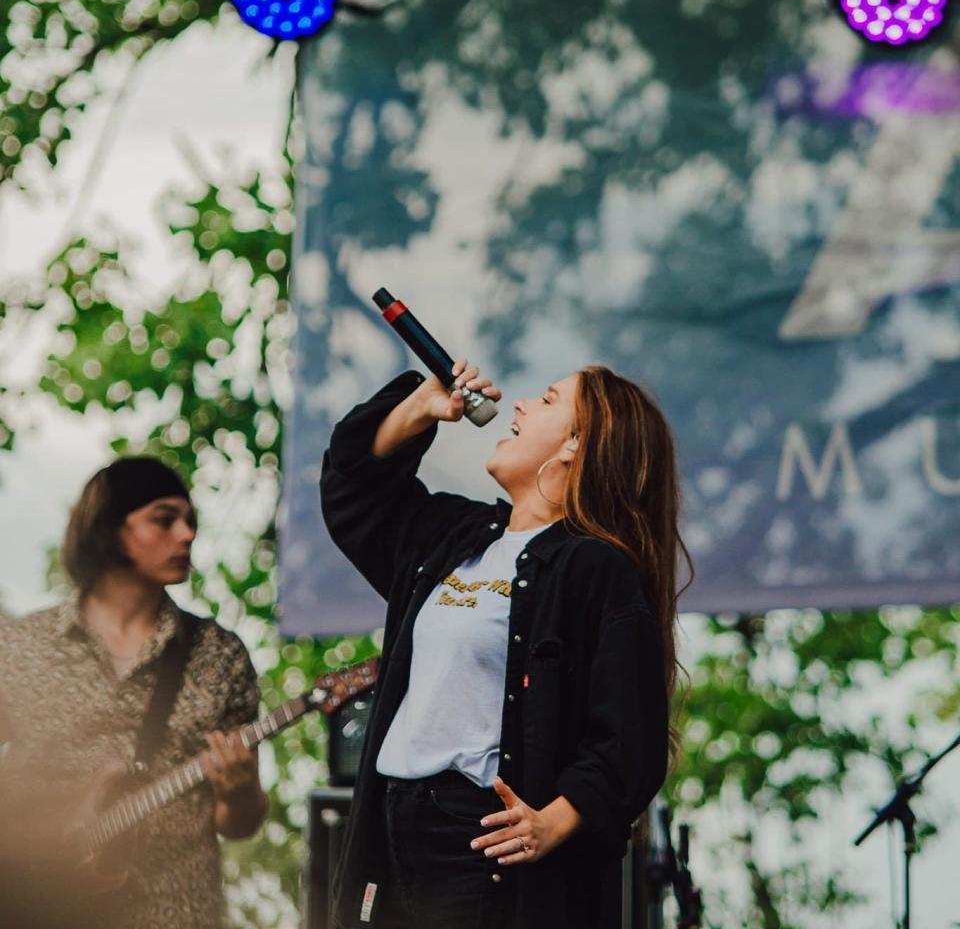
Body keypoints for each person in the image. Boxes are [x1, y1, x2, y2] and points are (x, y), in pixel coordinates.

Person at [320, 358, 690, 929]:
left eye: (545, 400)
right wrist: (421, 406)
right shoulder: (449, 536)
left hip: (481, 850)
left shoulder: (592, 567)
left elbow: (630, 740)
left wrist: (557, 821)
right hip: (392, 835)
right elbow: (353, 490)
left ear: (575, 444)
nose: (519, 404)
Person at [0, 456, 267, 929]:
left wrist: (241, 790)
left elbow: (238, 823)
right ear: (109, 528)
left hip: (174, 912)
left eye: (190, 522)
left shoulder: (220, 655)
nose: (187, 535)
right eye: (164, 520)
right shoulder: (20, 649)